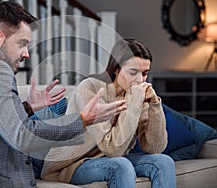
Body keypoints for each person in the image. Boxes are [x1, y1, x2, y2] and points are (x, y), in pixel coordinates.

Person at [0, 1, 127, 188]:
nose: (27, 53)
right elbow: (23, 136)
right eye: (22, 43)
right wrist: (83, 120)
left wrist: (27, 108)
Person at [41, 39, 176, 188]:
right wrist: (135, 105)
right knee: (121, 165)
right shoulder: (90, 89)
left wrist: (155, 105)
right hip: (71, 165)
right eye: (133, 72)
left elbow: (154, 148)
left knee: (164, 161)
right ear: (116, 69)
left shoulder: (134, 94)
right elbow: (113, 150)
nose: (139, 80)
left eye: (144, 74)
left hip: (109, 160)